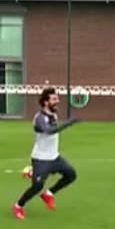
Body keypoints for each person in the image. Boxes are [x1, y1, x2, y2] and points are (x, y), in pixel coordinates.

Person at [12, 88, 80, 220]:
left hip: (54, 157)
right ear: (45, 102)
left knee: (71, 175)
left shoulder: (53, 114)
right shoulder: (39, 118)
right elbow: (48, 131)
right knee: (37, 186)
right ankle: (18, 206)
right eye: (54, 99)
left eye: (57, 98)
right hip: (41, 159)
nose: (57, 101)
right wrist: (67, 124)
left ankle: (48, 194)